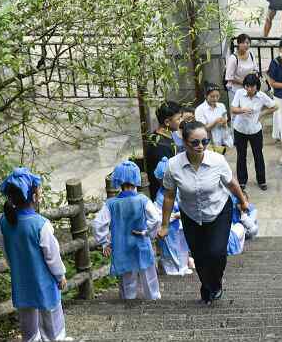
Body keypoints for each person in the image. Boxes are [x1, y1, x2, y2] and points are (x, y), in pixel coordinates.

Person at [157, 121, 250, 304]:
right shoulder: (174, 166)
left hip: (218, 210)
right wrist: (165, 225)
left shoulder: (217, 160)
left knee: (216, 253)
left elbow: (231, 183)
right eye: (195, 142)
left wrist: (243, 201)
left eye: (204, 142)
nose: (200, 146)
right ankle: (207, 285)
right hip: (191, 214)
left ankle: (214, 284)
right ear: (184, 143)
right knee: (199, 257)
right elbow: (169, 196)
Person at [0, 168, 71, 342]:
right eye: (39, 190)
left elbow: (6, 252)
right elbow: (52, 257)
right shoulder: (41, 225)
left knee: (28, 326)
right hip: (44, 282)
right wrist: (60, 276)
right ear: (34, 197)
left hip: (21, 282)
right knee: (52, 321)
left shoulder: (3, 223)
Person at [93, 160, 162, 300]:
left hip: (122, 246)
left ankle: (128, 301)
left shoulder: (111, 204)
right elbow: (156, 219)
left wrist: (105, 242)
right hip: (142, 243)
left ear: (118, 180)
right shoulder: (143, 200)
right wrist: (147, 232)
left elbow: (97, 223)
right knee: (148, 275)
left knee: (127, 277)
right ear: (136, 179)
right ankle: (154, 298)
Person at [230, 74, 277, 190]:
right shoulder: (240, 93)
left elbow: (275, 106)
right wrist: (242, 110)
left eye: (252, 86)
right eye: (247, 86)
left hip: (255, 130)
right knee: (241, 155)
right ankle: (242, 181)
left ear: (257, 86)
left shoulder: (261, 96)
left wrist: (261, 114)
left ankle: (261, 181)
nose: (250, 89)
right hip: (240, 129)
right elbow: (233, 109)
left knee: (258, 155)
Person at [152, 158, 192, 276]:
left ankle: (183, 266)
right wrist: (174, 216)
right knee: (170, 249)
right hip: (170, 225)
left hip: (181, 224)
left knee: (183, 246)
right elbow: (159, 214)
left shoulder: (179, 190)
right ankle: (171, 269)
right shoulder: (160, 196)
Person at [144, 100, 182, 199]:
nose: (181, 121)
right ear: (167, 122)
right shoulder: (160, 144)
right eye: (178, 119)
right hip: (162, 195)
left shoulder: (164, 136)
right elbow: (163, 176)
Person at [195, 84, 232, 155]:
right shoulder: (200, 109)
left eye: (217, 96)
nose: (215, 99)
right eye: (212, 96)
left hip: (223, 141)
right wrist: (215, 122)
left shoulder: (221, 106)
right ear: (205, 96)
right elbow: (202, 129)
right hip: (209, 144)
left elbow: (225, 121)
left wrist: (224, 123)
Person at [225, 34, 258, 99]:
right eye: (243, 43)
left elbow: (255, 69)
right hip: (236, 90)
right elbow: (229, 77)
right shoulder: (233, 58)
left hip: (250, 89)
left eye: (247, 43)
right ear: (238, 44)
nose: (245, 45)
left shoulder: (251, 54)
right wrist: (245, 82)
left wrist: (252, 79)